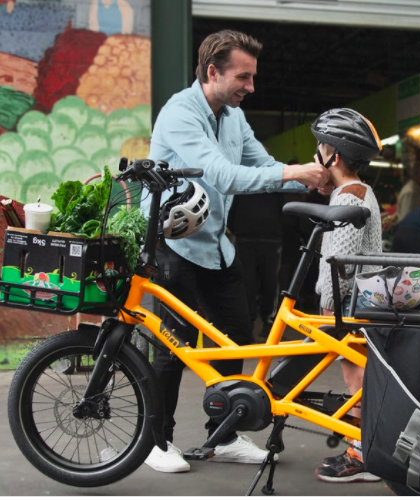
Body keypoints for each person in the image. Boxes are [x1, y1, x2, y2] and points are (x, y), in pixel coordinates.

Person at [141, 30, 331, 473]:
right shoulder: (180, 113)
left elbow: (262, 164)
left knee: (235, 339)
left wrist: (310, 176)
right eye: (243, 77)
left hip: (217, 247)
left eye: (252, 76)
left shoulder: (233, 117)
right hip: (175, 246)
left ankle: (223, 436)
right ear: (213, 72)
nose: (251, 86)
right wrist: (294, 173)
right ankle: (156, 441)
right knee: (172, 348)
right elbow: (224, 176)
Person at [309, 108, 384, 483]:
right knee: (358, 377)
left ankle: (363, 454)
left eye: (319, 148)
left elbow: (340, 264)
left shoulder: (350, 198)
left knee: (357, 380)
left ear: (333, 156)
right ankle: (363, 446)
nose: (315, 155)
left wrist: (329, 306)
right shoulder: (356, 191)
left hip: (349, 306)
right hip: (361, 301)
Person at [228, 191, 285, 340]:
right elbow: (230, 212)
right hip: (245, 241)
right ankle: (247, 328)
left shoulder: (274, 186)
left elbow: (283, 212)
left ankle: (270, 326)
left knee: (271, 285)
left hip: (271, 241)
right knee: (246, 285)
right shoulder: (241, 186)